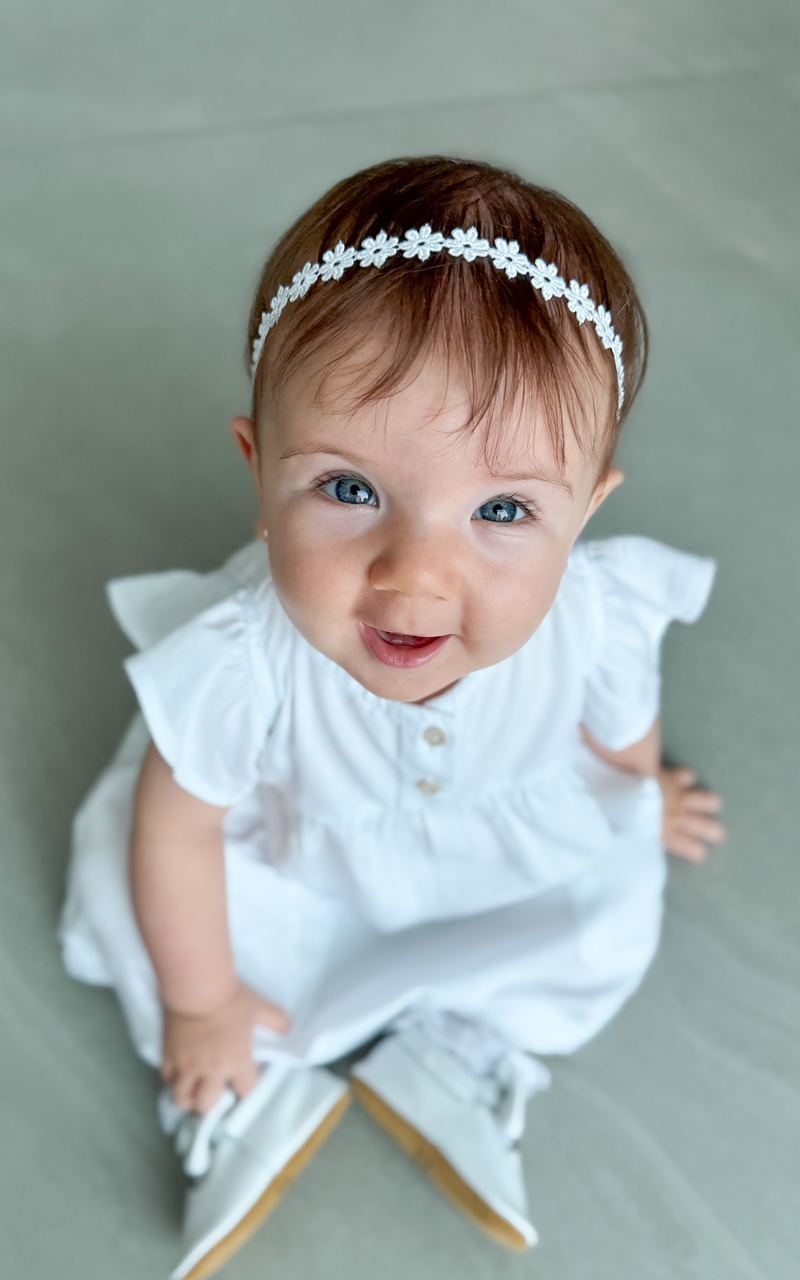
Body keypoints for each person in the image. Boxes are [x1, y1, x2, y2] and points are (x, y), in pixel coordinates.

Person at [60, 156, 725, 1279]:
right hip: (295, 847)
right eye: (349, 489)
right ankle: (239, 1081)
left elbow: (620, 724)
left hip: (495, 855)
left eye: (502, 509)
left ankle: (462, 1044)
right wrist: (202, 1000)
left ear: (583, 513)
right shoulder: (244, 656)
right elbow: (179, 829)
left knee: (607, 906)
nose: (414, 574)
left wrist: (635, 784)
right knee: (144, 891)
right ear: (259, 471)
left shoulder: (597, 614)